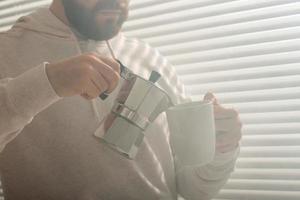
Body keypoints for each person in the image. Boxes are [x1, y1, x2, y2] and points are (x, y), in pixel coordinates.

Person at [0, 0, 242, 199]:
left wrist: (221, 150)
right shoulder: (6, 53)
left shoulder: (152, 60)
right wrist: (48, 82)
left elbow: (192, 190)